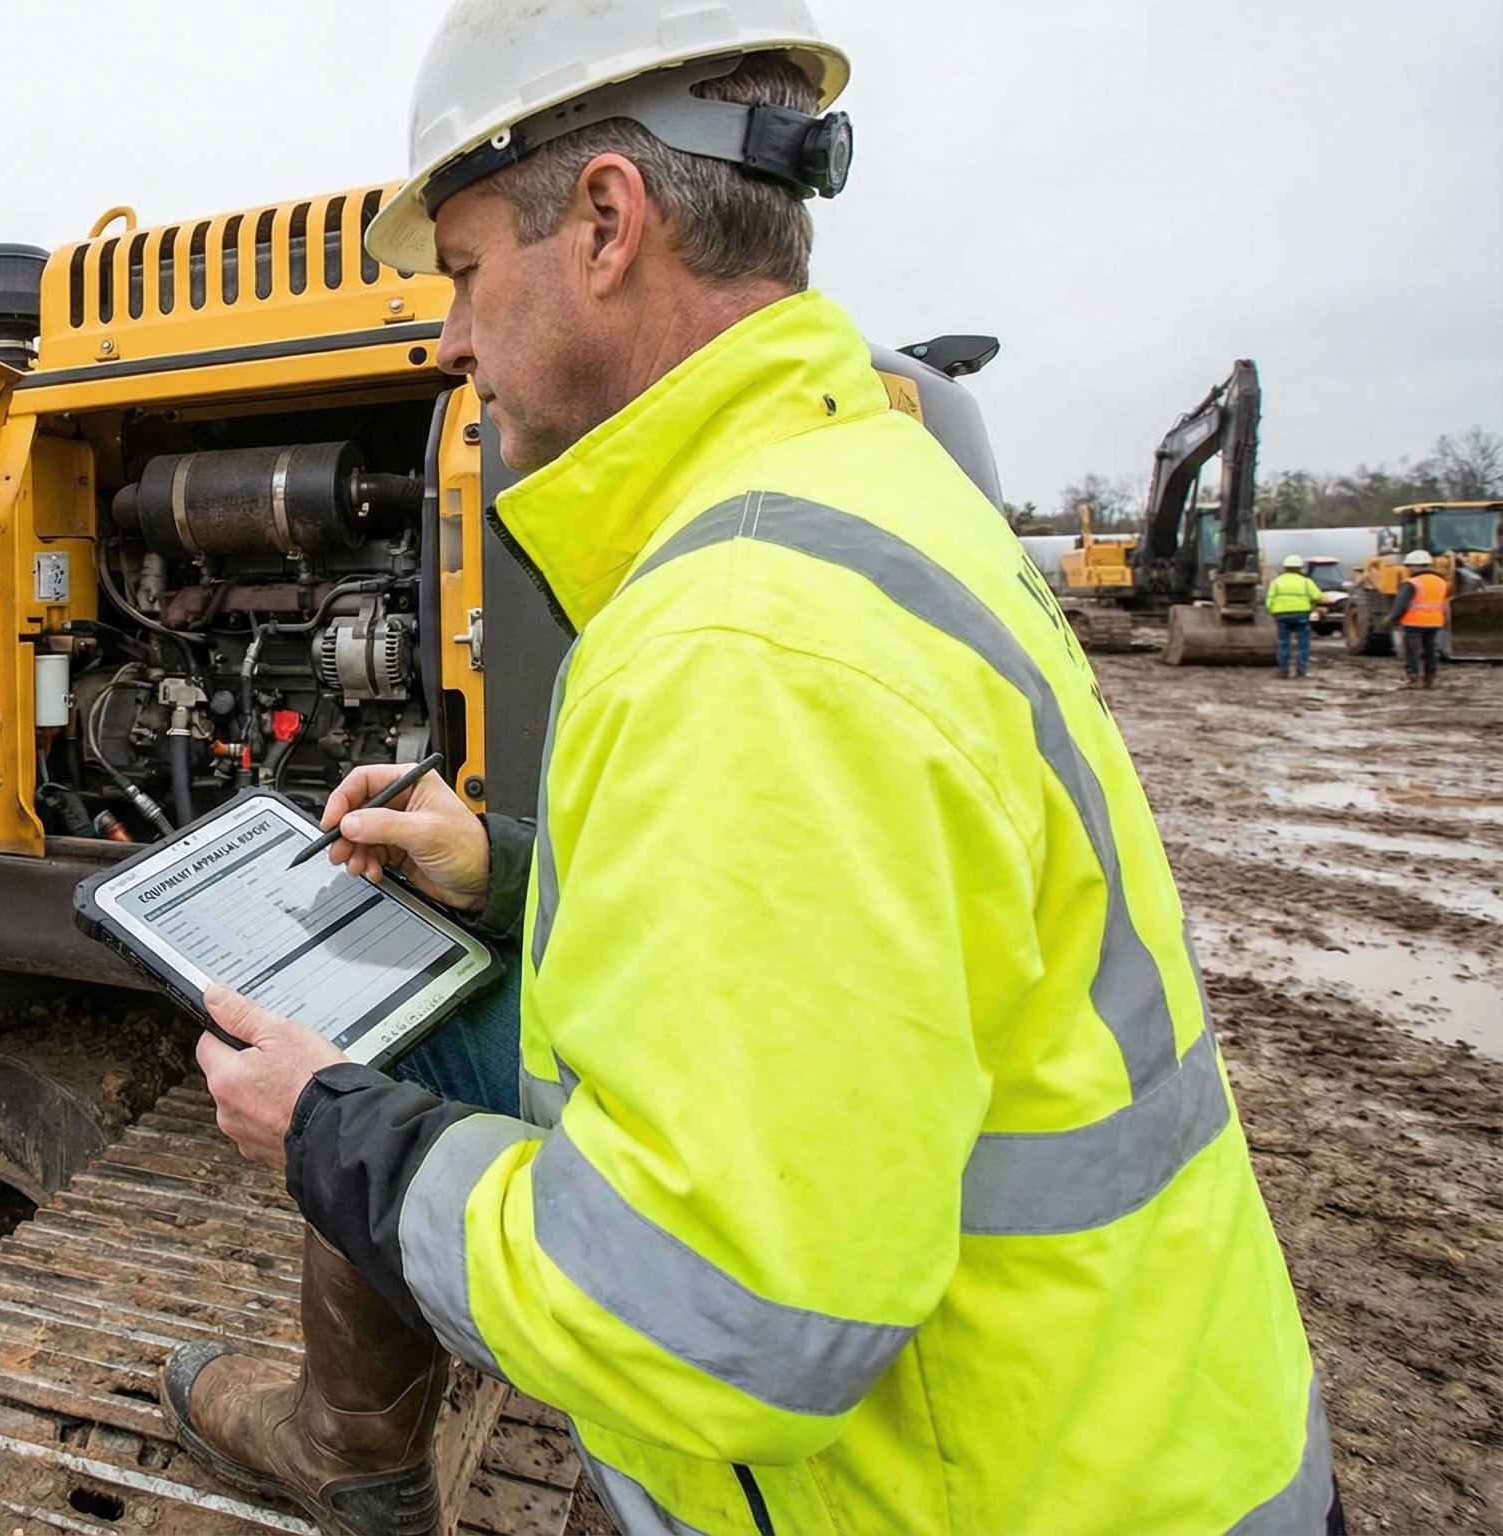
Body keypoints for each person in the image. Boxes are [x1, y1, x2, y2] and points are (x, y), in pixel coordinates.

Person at [162, 4, 1335, 1534]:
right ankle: (357, 1449)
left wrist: (331, 1134)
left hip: (984, 1495)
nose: (446, 339)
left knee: (350, 1060)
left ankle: (358, 1448)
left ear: (604, 222)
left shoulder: (744, 638)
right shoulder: (860, 483)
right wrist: (506, 867)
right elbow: (841, 921)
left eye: (459, 272)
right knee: (414, 1014)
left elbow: (706, 1322)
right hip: (1135, 1423)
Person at [1390, 549, 1448, 688]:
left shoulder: (1412, 583)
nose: (1408, 569)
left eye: (1409, 566)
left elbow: (1401, 604)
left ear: (1415, 565)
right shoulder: (1441, 582)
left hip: (1413, 623)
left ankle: (1413, 678)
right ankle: (1429, 679)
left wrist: (1393, 619)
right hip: (1435, 623)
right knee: (1431, 652)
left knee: (1412, 652)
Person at [1267, 553, 1322, 677]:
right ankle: (1301, 670)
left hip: (1282, 616)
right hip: (1301, 616)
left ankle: (1284, 670)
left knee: (1283, 643)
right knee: (1303, 644)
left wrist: (1272, 612)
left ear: (1285, 567)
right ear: (1300, 568)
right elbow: (1318, 596)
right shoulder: (1306, 582)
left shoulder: (1276, 582)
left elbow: (1269, 600)